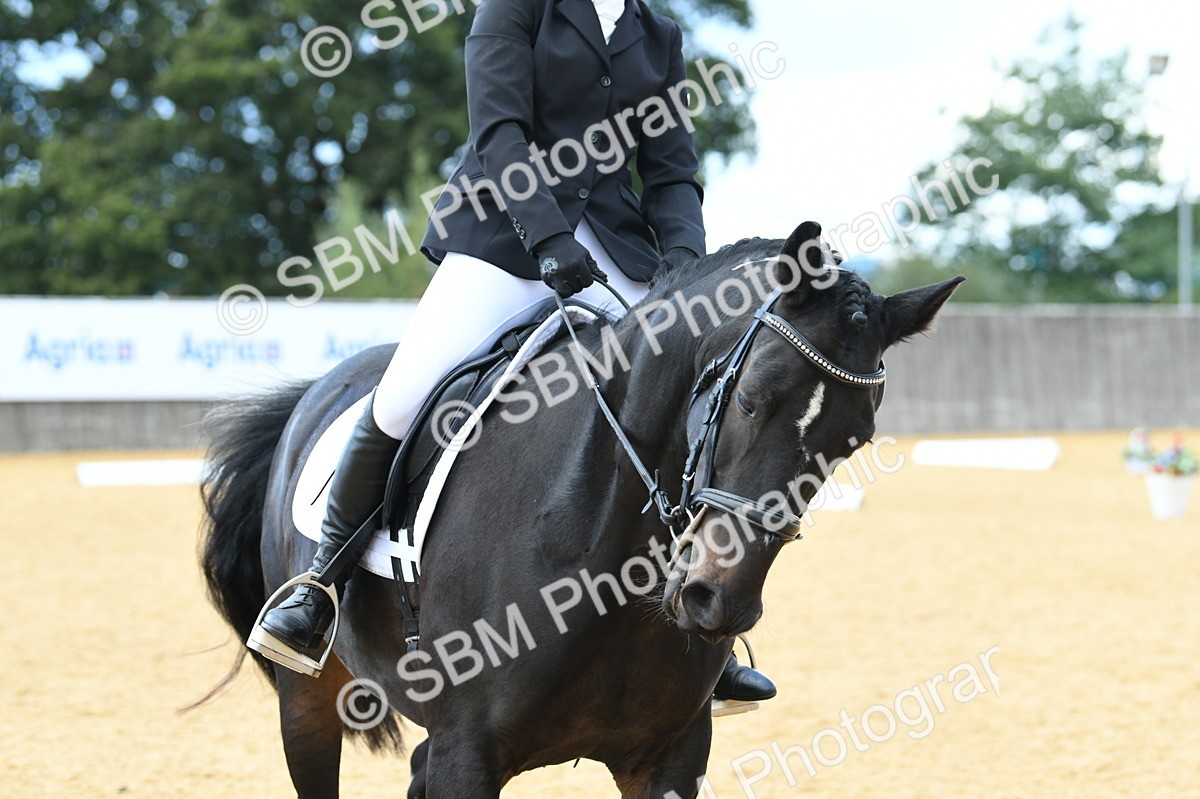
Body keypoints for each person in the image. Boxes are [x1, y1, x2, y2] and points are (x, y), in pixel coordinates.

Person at [249, 0, 775, 705]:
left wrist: (683, 269)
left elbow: (672, 171)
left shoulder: (659, 32)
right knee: (405, 394)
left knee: (692, 397)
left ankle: (702, 627)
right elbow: (500, 136)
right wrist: (549, 240)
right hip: (503, 236)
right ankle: (320, 586)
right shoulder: (516, 7)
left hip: (619, 249)